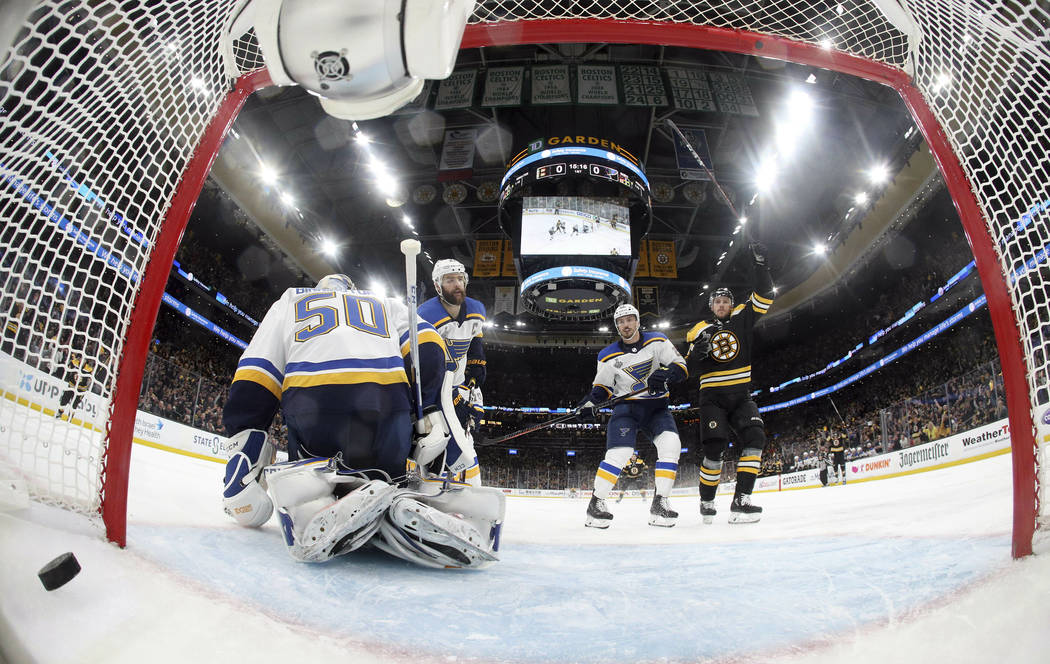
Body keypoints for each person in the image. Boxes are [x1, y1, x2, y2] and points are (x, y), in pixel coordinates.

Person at [221, 273, 504, 568]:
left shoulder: (291, 299)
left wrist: (242, 462)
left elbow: (256, 374)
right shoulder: (384, 302)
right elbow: (431, 346)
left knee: (310, 466)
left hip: (317, 408)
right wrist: (429, 409)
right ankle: (415, 499)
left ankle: (315, 503)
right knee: (395, 468)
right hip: (387, 409)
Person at [685, 242, 773, 524]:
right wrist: (697, 354)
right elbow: (689, 368)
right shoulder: (699, 330)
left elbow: (765, 294)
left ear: (731, 304)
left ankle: (741, 499)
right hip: (713, 398)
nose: (722, 305)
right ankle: (707, 500)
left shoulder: (742, 318)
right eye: (717, 302)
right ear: (711, 306)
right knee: (715, 448)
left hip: (741, 395)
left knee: (756, 437)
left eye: (726, 301)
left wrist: (760, 263)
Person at [579, 304, 688, 528]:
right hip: (626, 409)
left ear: (638, 322)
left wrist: (667, 373)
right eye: (621, 321)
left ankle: (660, 504)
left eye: (629, 320)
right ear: (617, 326)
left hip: (657, 408)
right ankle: (596, 503)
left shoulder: (657, 341)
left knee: (671, 445)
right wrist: (589, 403)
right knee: (621, 452)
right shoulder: (607, 354)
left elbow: (681, 367)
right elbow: (602, 389)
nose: (625, 325)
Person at [418, 259, 486, 486]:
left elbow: (475, 338)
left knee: (466, 442)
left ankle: (469, 491)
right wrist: (450, 399)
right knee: (435, 440)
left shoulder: (476, 309)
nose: (456, 284)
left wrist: (477, 365)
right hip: (432, 387)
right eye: (449, 280)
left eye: (459, 279)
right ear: (438, 286)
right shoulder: (425, 314)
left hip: (457, 383)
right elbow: (426, 362)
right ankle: (432, 484)